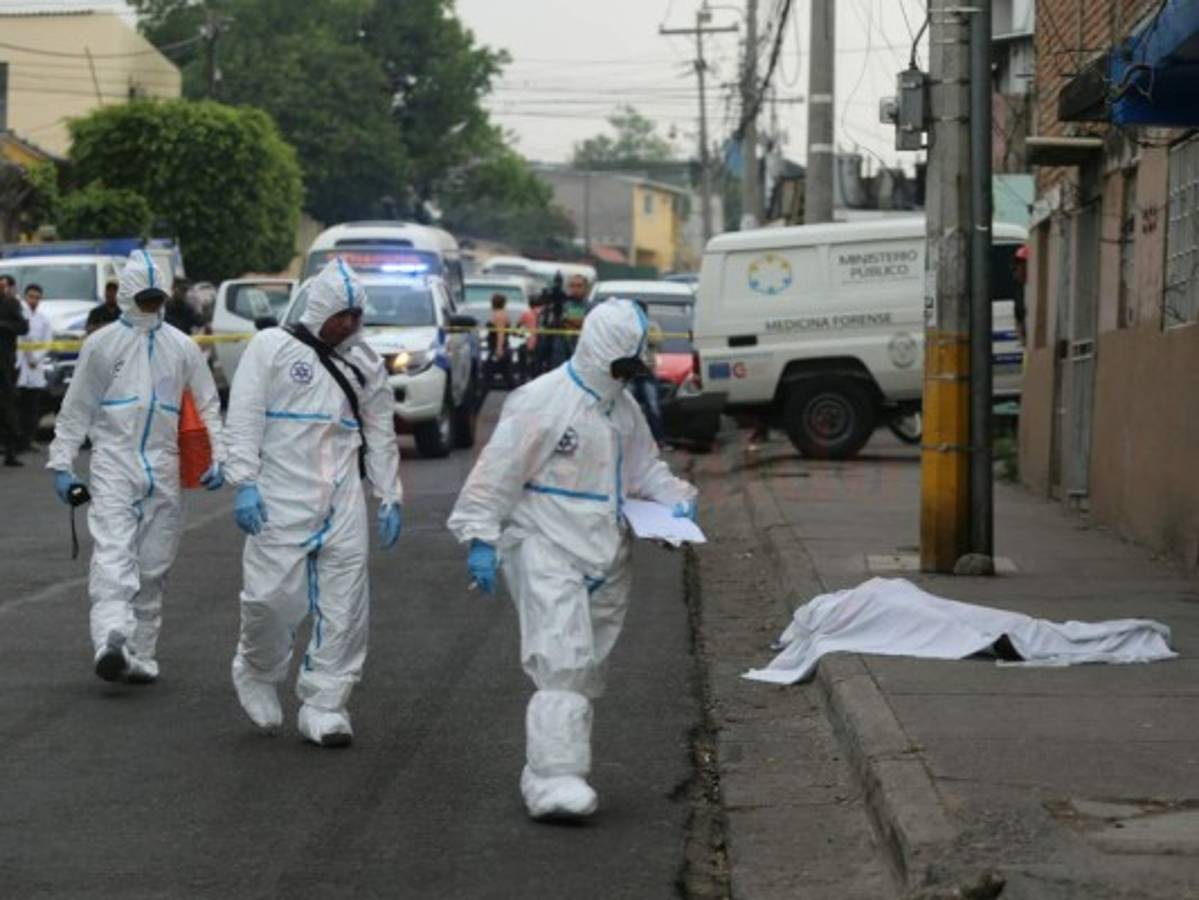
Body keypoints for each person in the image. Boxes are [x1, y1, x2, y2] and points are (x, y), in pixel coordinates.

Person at [447, 298, 697, 820]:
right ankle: (557, 778)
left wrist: (674, 500)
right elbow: (497, 473)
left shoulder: (623, 410)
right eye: (621, 365)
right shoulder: (542, 400)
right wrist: (480, 535)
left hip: (606, 555)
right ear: (601, 350)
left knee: (585, 669)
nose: (625, 377)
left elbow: (644, 470)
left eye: (632, 368)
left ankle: (542, 768)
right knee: (561, 659)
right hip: (546, 545)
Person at [224, 259, 403, 747]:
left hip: (342, 498)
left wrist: (389, 494)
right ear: (320, 308)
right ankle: (257, 670)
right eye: (341, 314)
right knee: (269, 601)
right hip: (279, 496)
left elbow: (380, 432)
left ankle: (326, 703)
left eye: (355, 315)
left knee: (346, 606)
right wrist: (244, 480)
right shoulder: (271, 348)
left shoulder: (365, 363)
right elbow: (244, 416)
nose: (349, 324)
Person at [48, 251, 226, 684]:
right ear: (128, 297)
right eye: (144, 299)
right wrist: (61, 463)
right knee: (113, 555)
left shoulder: (181, 347)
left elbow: (209, 404)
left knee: (153, 565)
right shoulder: (101, 345)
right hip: (114, 461)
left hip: (164, 466)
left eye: (156, 298)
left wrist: (220, 455)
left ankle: (141, 653)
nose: (151, 306)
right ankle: (111, 637)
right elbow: (76, 408)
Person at [16, 283, 52, 451]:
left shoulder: (44, 319)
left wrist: (36, 358)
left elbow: (48, 342)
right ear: (25, 297)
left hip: (35, 367)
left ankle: (29, 439)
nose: (34, 300)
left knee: (32, 406)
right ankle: (14, 440)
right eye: (31, 297)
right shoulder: (18, 316)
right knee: (16, 405)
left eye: (37, 297)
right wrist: (29, 356)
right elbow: (23, 339)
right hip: (19, 365)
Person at [0, 273, 29, 467]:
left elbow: (23, 327)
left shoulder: (12, 304)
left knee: (7, 405)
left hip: (4, 363)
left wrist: (3, 325)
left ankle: (11, 450)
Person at [628, 300, 665, 443]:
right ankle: (630, 440)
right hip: (630, 373)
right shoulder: (627, 325)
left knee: (653, 406)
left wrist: (642, 329)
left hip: (647, 373)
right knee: (629, 407)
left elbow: (657, 341)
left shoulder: (652, 326)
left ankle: (658, 439)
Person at [484, 292, 516, 392]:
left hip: (498, 349)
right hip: (498, 348)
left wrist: (499, 349)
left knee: (487, 376)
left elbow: (500, 333)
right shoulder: (500, 314)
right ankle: (520, 395)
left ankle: (478, 400)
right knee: (508, 377)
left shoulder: (499, 315)